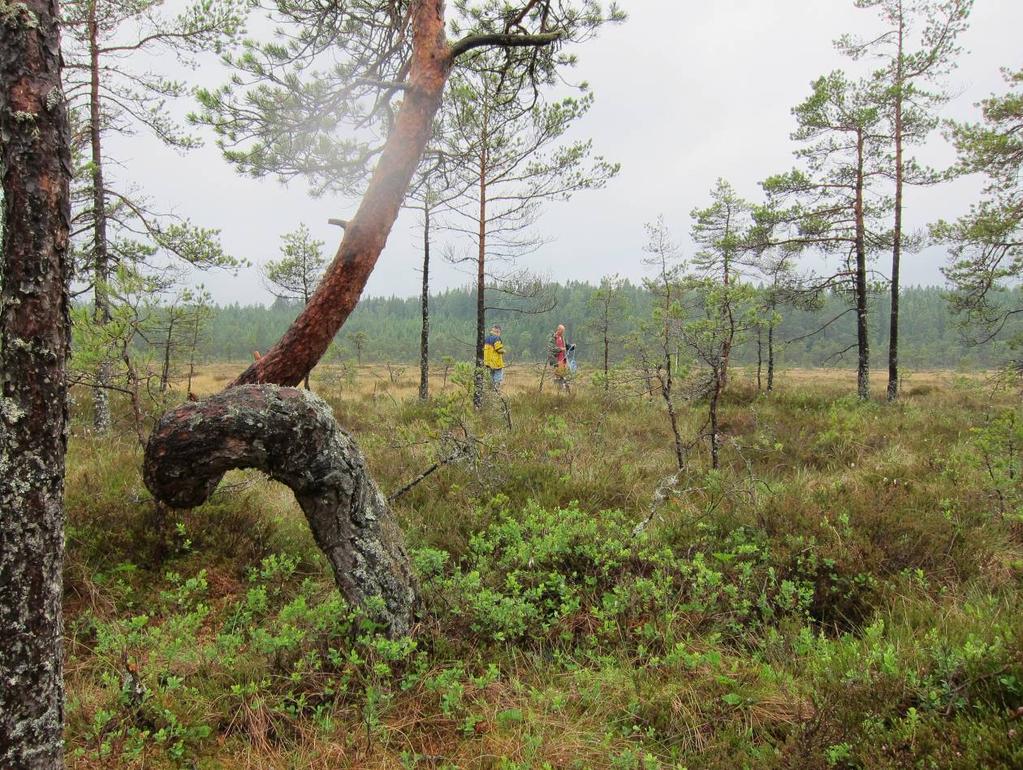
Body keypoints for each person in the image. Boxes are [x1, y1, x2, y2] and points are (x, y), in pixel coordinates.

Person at [483, 324, 506, 390]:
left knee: (491, 376)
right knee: (498, 377)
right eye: (498, 332)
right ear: (498, 331)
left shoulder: (487, 338)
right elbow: (498, 349)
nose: (499, 333)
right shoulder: (497, 338)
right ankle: (496, 391)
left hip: (489, 362)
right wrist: (504, 351)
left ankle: (491, 390)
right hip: (496, 362)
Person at [549, 324, 570, 391]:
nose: (563, 332)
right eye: (562, 331)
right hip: (556, 360)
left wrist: (572, 346)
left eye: (563, 331)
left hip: (563, 360)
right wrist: (561, 349)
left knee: (563, 375)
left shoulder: (562, 337)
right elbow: (551, 348)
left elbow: (566, 346)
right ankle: (558, 390)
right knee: (558, 376)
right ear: (559, 330)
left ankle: (564, 390)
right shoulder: (553, 338)